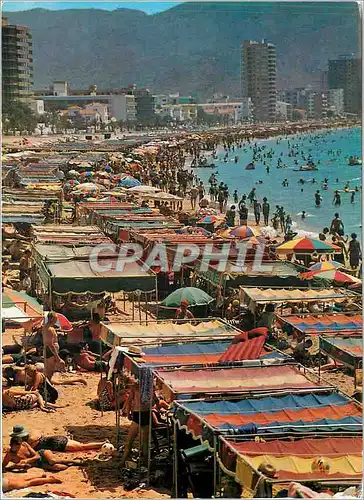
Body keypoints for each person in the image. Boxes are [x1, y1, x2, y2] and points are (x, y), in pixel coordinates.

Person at [119, 379, 153, 468]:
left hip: (138, 413)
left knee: (130, 439)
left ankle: (123, 460)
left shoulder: (135, 387)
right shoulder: (150, 388)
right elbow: (155, 401)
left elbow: (129, 400)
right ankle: (145, 462)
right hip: (147, 413)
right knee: (145, 442)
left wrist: (128, 412)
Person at [2, 437, 84, 472]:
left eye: (18, 446)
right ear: (11, 445)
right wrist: (14, 467)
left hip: (41, 453)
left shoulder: (24, 444)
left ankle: (75, 461)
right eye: (15, 446)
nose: (16, 448)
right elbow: (3, 467)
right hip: (38, 464)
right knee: (60, 467)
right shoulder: (9, 455)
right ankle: (72, 464)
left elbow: (37, 456)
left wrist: (26, 460)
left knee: (53, 461)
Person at [10, 425, 106, 453]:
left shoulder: (28, 441)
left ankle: (102, 443)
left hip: (56, 443)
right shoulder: (31, 437)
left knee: (82, 447)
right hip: (55, 441)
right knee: (81, 445)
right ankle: (101, 443)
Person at [42, 311, 65, 380]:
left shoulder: (47, 327)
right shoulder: (49, 329)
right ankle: (47, 386)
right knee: (49, 371)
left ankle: (47, 385)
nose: (56, 320)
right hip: (50, 351)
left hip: (49, 350)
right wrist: (57, 357)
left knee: (50, 370)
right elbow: (50, 344)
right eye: (56, 318)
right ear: (52, 318)